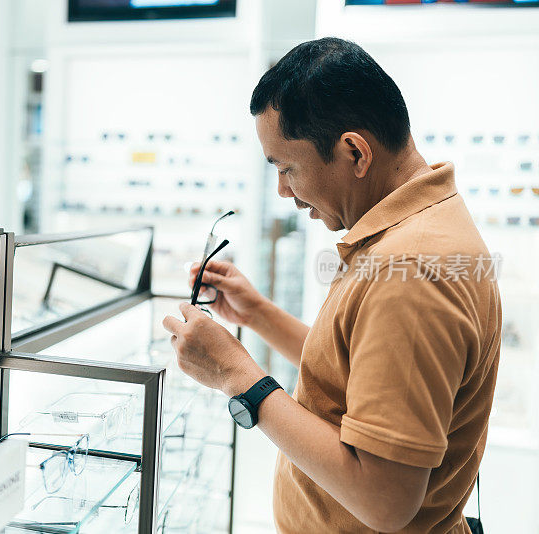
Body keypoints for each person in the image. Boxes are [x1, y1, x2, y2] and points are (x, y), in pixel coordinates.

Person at [163, 37, 501, 533]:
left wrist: (238, 378)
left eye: (287, 168)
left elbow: (384, 500)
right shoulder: (415, 228)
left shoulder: (409, 270)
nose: (283, 191)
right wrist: (256, 313)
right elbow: (358, 376)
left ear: (354, 151)